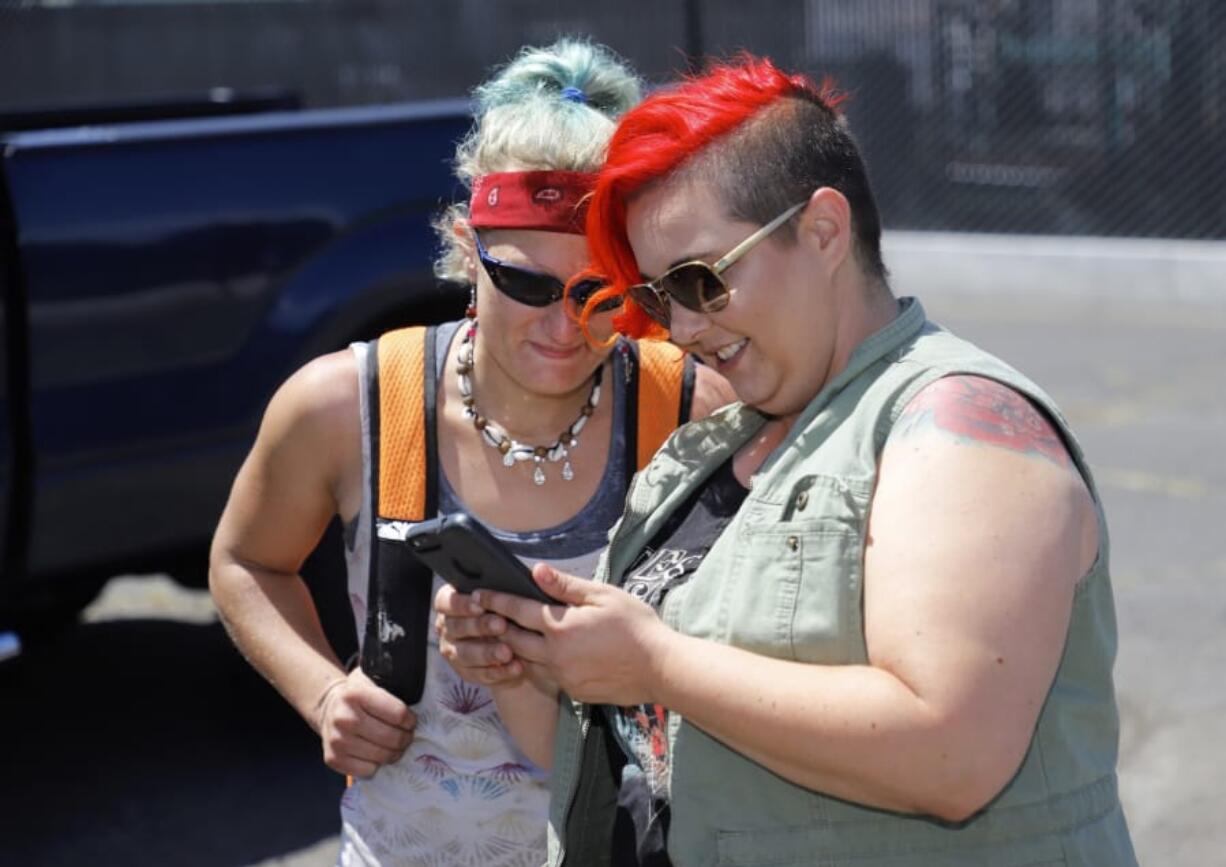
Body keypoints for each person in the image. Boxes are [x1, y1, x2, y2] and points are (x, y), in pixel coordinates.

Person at [435, 56, 1138, 865]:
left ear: (825, 231)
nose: (685, 329)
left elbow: (954, 753)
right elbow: (643, 759)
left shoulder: (959, 427)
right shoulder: (724, 438)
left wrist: (658, 662)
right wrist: (531, 660)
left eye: (701, 280)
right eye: (660, 298)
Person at [208, 39, 733, 867]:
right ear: (465, 245)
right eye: (526, 283)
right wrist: (323, 694)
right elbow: (244, 560)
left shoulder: (687, 408)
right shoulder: (351, 403)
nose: (564, 327)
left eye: (597, 293)